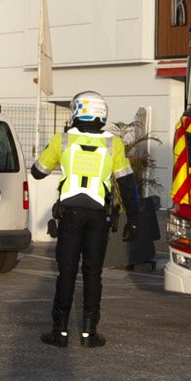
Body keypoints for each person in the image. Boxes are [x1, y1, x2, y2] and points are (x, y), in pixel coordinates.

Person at [30, 91, 131, 347]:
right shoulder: (113, 144)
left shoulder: (62, 140)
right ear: (102, 114)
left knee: (66, 273)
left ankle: (60, 332)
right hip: (99, 215)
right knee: (92, 273)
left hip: (70, 215)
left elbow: (38, 172)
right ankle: (89, 333)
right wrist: (136, 217)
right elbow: (127, 182)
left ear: (76, 111)